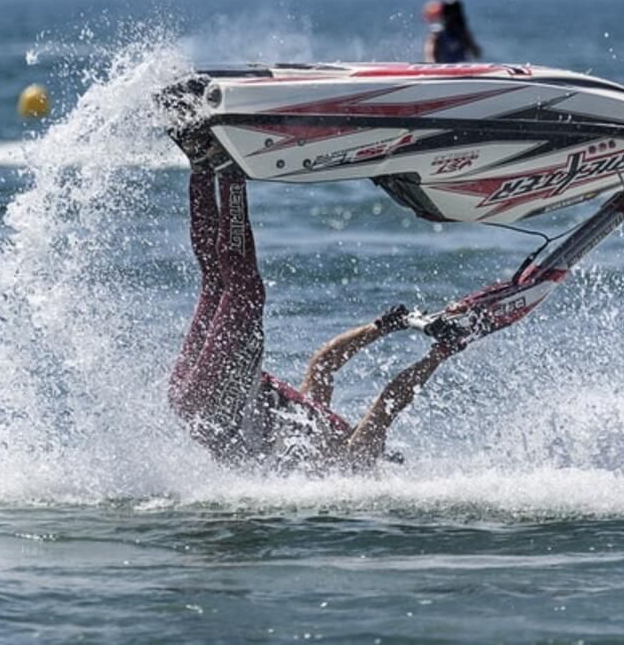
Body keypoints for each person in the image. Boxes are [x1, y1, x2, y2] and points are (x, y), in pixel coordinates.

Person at [167, 133, 463, 471]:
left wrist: (439, 355)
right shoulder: (312, 424)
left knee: (245, 293)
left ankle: (227, 173)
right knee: (216, 282)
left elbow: (387, 405)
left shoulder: (351, 463)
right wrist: (382, 326)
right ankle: (201, 165)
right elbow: (324, 364)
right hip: (194, 401)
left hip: (220, 406)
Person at [423, 0, 483, 64]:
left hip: (462, 66)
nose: (453, 16)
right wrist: (431, 64)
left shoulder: (463, 32)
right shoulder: (438, 32)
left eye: (455, 13)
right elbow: (429, 53)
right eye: (450, 12)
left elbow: (476, 52)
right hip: (444, 68)